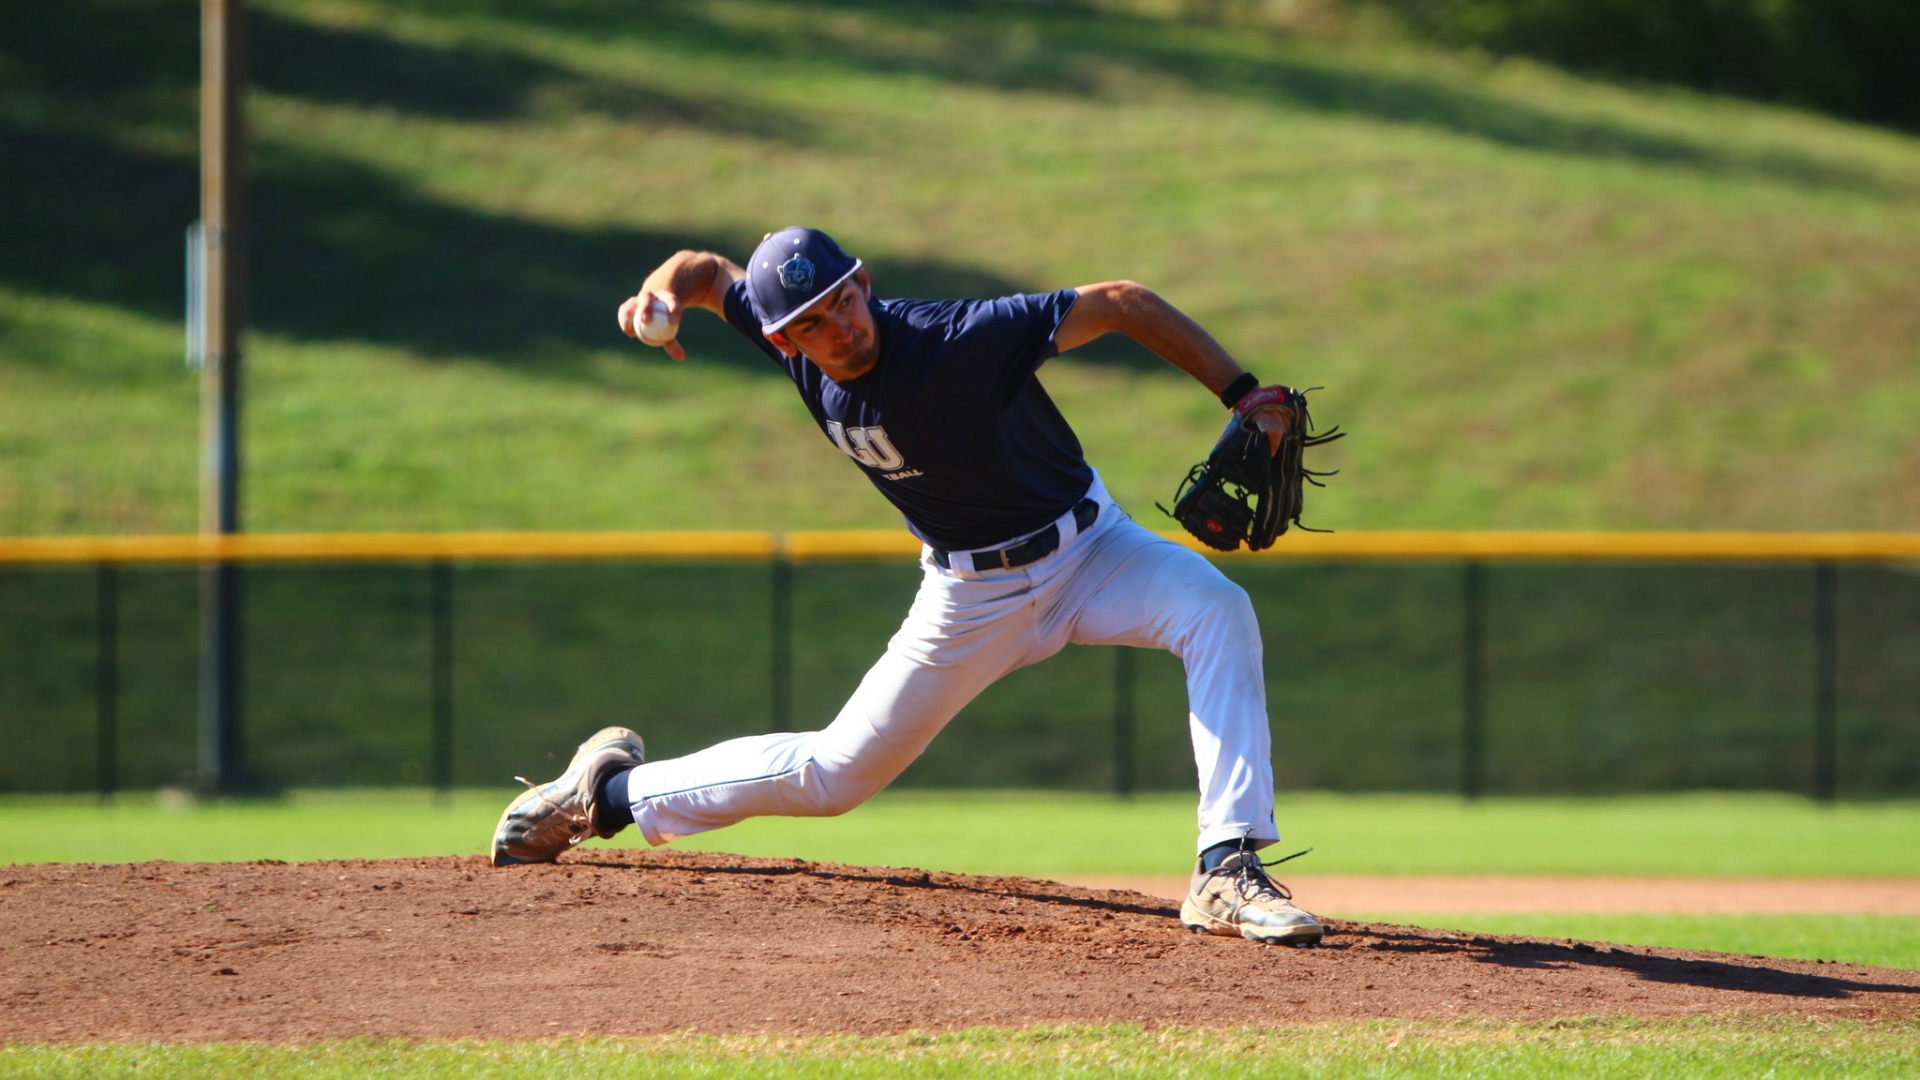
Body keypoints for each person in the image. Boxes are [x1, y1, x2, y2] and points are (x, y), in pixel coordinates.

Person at [488, 226, 1322, 947]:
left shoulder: (958, 337)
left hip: (1095, 549)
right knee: (833, 777)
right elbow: (708, 273)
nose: (839, 328)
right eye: (810, 323)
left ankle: (1226, 867)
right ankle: (606, 794)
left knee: (1218, 610)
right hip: (970, 598)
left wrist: (1246, 395)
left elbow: (1121, 301)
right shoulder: (794, 348)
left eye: (845, 301)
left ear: (863, 283)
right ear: (782, 342)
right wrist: (661, 293)